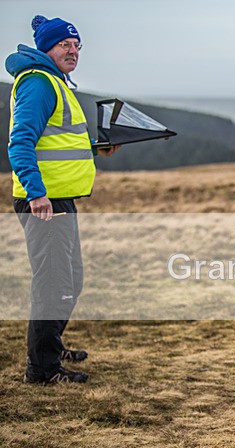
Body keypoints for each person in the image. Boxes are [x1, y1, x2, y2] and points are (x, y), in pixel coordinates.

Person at [7, 15, 119, 384]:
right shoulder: (39, 84)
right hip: (45, 203)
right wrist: (37, 194)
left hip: (59, 200)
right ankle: (42, 370)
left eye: (76, 46)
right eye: (63, 45)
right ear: (47, 49)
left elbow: (57, 141)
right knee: (54, 283)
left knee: (70, 279)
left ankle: (49, 345)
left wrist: (94, 148)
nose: (72, 51)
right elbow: (20, 142)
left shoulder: (55, 82)